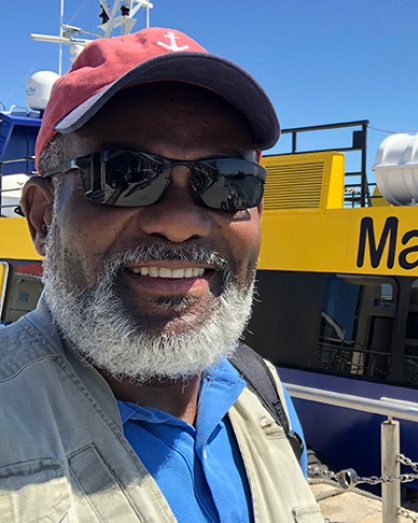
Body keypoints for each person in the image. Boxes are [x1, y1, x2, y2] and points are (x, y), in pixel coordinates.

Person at [0, 28, 323, 522]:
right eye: (124, 173)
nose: (181, 222)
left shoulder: (261, 390)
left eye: (227, 182)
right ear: (43, 218)